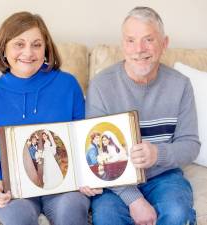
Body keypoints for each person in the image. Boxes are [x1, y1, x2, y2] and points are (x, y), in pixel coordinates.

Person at [82, 6, 200, 225]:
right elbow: (97, 156)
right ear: (122, 45)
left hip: (164, 177)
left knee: (177, 212)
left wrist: (158, 153)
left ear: (164, 43)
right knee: (107, 217)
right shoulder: (101, 86)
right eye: (131, 40)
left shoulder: (181, 85)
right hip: (114, 182)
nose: (139, 49)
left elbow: (191, 145)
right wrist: (134, 199)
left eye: (148, 39)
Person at [0, 11, 90, 225]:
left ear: (46, 49)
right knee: (20, 216)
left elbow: (83, 137)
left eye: (36, 44)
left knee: (72, 208)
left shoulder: (67, 85)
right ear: (4, 49)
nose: (28, 52)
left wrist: (85, 176)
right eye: (19, 44)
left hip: (61, 183)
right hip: (11, 185)